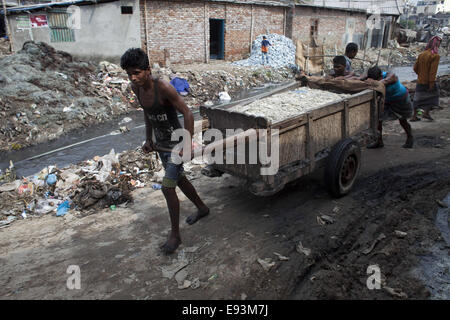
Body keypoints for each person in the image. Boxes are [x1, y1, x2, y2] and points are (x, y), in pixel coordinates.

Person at [120, 48, 209, 254]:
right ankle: (202, 208)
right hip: (161, 145)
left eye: (137, 73)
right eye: (129, 74)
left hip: (176, 146)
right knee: (179, 180)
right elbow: (148, 114)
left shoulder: (164, 88)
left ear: (148, 70)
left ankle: (175, 236)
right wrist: (148, 139)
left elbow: (187, 113)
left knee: (167, 188)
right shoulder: (137, 88)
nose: (133, 78)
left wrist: (186, 145)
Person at [364, 66, 414, 149]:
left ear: (381, 75)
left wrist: (376, 83)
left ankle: (410, 137)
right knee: (378, 120)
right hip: (387, 101)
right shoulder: (373, 79)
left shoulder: (390, 77)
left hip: (401, 100)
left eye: (377, 79)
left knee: (402, 120)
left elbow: (391, 76)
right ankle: (379, 141)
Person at [411, 35, 442, 121]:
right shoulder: (435, 56)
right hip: (429, 81)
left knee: (417, 98)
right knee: (434, 96)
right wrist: (431, 82)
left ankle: (414, 116)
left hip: (420, 80)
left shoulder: (422, 54)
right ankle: (426, 113)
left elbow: (415, 68)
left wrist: (421, 74)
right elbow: (433, 71)